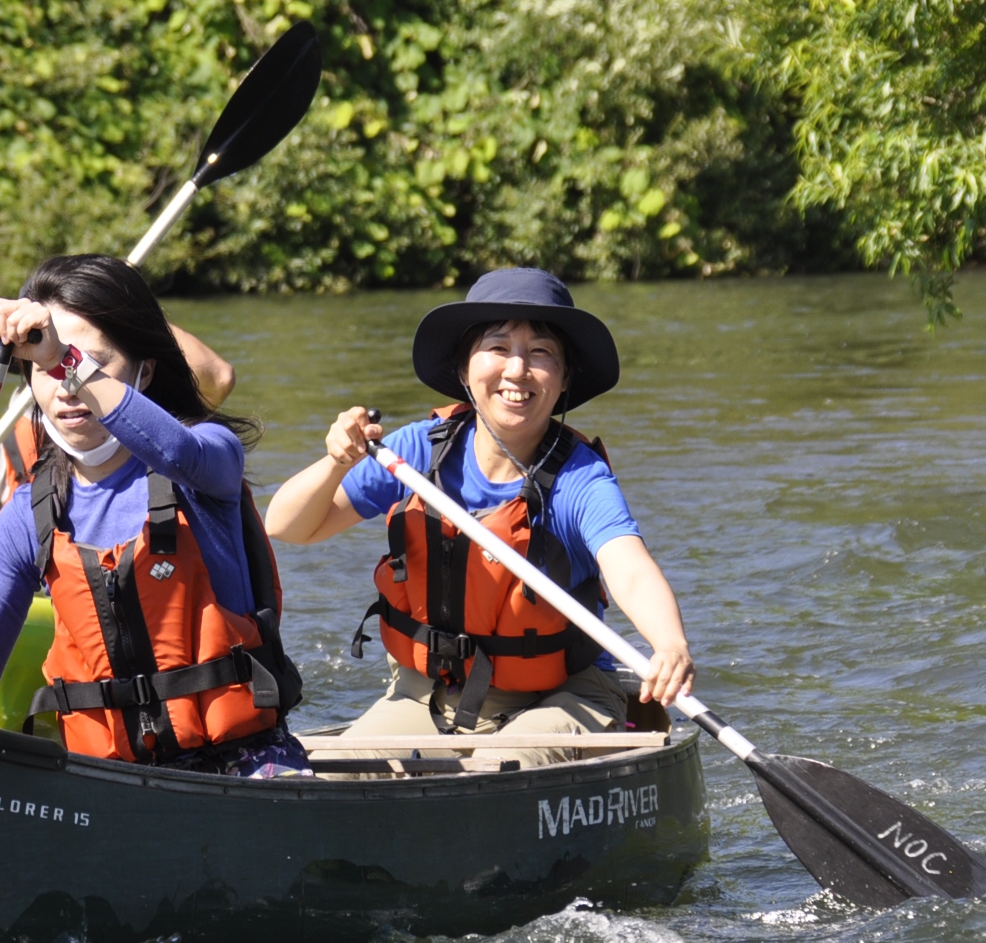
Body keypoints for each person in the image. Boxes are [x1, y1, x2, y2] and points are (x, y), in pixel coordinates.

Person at [264, 267, 693, 766]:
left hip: (558, 696)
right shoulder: (415, 452)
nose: (517, 370)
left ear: (563, 380)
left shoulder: (580, 478)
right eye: (498, 348)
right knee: (331, 775)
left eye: (541, 353)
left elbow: (630, 569)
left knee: (494, 773)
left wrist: (670, 643)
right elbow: (287, 526)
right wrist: (337, 462)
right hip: (428, 698)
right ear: (465, 372)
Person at [0, 254, 305, 774]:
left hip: (243, 762)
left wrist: (64, 357)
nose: (64, 386)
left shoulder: (208, 459)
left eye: (87, 362)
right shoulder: (27, 517)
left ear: (145, 369)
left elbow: (179, 453)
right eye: (43, 369)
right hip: (111, 780)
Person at [0, 325, 237, 600]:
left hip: (117, 569)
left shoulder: (142, 418)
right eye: (46, 370)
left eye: (74, 365)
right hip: (30, 570)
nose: (66, 389)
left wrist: (131, 309)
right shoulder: (7, 436)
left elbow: (217, 378)